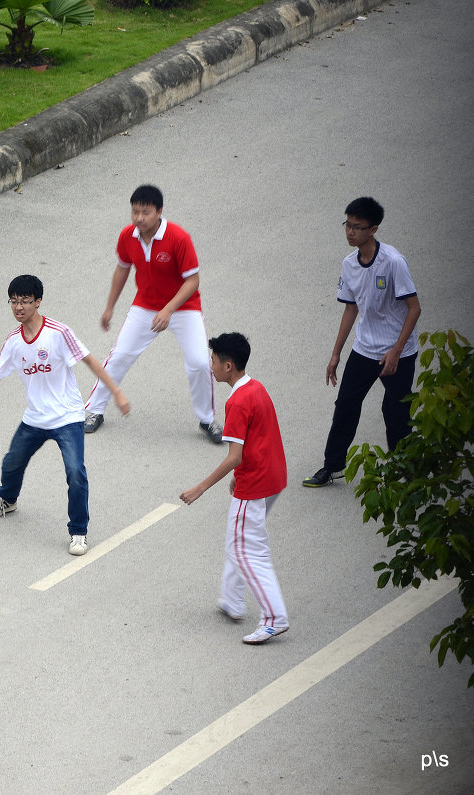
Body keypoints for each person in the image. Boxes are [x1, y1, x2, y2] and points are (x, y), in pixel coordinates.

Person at [0, 274, 129, 556]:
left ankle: (78, 532)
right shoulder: (13, 342)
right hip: (35, 418)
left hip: (67, 417)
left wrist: (116, 393)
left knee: (75, 472)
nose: (18, 307)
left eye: (25, 301)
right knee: (12, 463)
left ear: (38, 301)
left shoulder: (58, 333)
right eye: (14, 301)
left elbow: (90, 361)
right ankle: (7, 499)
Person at [83, 184, 222, 443]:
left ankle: (207, 420)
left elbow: (193, 280)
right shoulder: (128, 236)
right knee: (119, 356)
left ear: (159, 212)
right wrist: (110, 307)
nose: (139, 218)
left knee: (200, 363)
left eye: (145, 212)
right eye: (135, 212)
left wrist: (169, 309)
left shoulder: (179, 238)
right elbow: (122, 269)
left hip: (183, 308)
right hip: (145, 306)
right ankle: (95, 411)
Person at [303, 197, 421, 487]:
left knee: (395, 412)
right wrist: (335, 355)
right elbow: (351, 308)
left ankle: (403, 470)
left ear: (373, 229)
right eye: (347, 224)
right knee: (345, 405)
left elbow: (414, 308)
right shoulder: (349, 264)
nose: (350, 232)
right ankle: (332, 467)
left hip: (399, 353)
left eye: (357, 227)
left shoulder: (393, 262)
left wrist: (396, 351)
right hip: (365, 349)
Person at [180, 333, 289, 645]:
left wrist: (199, 488)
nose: (210, 365)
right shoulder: (256, 388)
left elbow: (234, 456)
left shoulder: (237, 401)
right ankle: (232, 601)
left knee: (246, 551)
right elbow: (259, 441)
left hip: (253, 486)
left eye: (213, 361)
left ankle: (274, 618)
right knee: (239, 542)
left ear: (228, 366)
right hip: (272, 479)